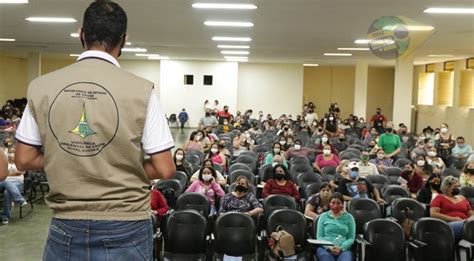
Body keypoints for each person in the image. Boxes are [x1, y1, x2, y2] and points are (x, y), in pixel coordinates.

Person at [14, 1, 176, 259]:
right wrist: (118, 164)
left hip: (66, 224)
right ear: (123, 40)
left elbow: (23, 159)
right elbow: (165, 168)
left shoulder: (41, 86)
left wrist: (72, 159)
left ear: (81, 34)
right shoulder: (143, 90)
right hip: (127, 225)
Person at [430, 176, 473, 242]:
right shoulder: (440, 197)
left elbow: (471, 214)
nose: (458, 188)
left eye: (458, 186)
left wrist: (468, 220)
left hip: (466, 223)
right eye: (455, 187)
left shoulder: (462, 198)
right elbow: (433, 214)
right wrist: (453, 219)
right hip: (448, 225)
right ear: (447, 187)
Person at [315, 192, 356, 261]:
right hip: (325, 249)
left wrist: (341, 248)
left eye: (338, 203)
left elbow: (351, 238)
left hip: (344, 249)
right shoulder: (323, 216)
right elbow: (319, 237)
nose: (335, 206)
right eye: (333, 203)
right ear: (329, 204)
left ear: (342, 204)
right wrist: (329, 247)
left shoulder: (349, 217)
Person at [1, 151, 27, 225]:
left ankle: (5, 217)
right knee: (5, 181)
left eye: (13, 152)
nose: (12, 154)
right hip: (3, 183)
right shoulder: (4, 163)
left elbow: (18, 172)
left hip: (17, 183)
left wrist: (6, 173)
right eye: (10, 152)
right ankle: (20, 199)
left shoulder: (21, 163)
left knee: (7, 192)